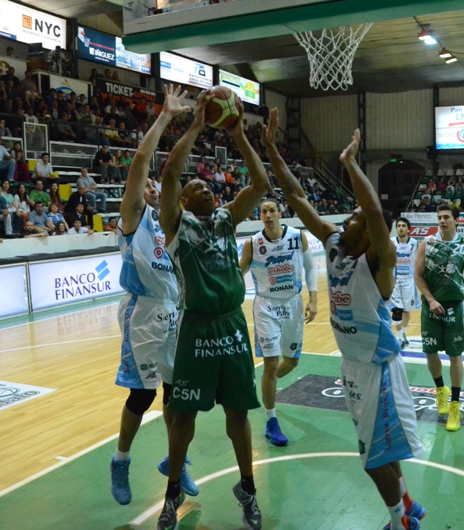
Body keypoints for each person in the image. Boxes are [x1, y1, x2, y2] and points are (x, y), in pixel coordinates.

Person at [265, 111, 425, 530]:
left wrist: (352, 164)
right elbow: (297, 195)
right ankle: (408, 503)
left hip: (378, 369)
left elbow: (373, 210)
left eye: (355, 216)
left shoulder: (379, 259)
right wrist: (270, 150)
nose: (348, 218)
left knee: (372, 459)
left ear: (371, 232)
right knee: (377, 450)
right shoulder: (336, 244)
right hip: (351, 363)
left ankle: (400, 522)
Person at [156, 91, 270, 530]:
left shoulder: (225, 219)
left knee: (238, 413)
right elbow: (169, 173)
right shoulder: (176, 224)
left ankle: (248, 490)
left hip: (232, 326)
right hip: (196, 328)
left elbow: (259, 186)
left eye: (207, 186)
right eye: (197, 187)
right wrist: (197, 126)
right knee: (183, 417)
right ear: (183, 202)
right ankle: (172, 494)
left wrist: (240, 134)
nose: (206, 189)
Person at [109, 84, 198, 508]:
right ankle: (120, 459)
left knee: (176, 394)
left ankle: (176, 462)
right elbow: (142, 163)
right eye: (146, 187)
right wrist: (165, 117)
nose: (151, 189)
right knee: (142, 395)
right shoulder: (134, 218)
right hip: (142, 312)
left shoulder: (174, 221)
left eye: (155, 188)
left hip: (174, 314)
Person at [238, 199, 318, 447]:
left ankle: (266, 383)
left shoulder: (297, 237)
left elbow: (310, 268)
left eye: (272, 210)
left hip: (293, 303)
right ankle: (271, 421)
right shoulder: (252, 243)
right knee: (271, 363)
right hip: (266, 307)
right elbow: (237, 274)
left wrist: (313, 300)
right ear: (259, 215)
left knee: (292, 362)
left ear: (280, 213)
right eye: (263, 211)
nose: (268, 215)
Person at [414, 204, 464, 432]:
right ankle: (440, 390)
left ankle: (455, 405)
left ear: (456, 220)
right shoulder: (427, 243)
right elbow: (418, 276)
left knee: (455, 354)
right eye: (439, 217)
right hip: (431, 308)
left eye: (446, 217)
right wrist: (430, 299)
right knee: (430, 351)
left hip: (455, 307)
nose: (442, 220)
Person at [390, 217, 419, 349]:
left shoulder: (415, 243)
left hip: (409, 281)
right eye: (398, 226)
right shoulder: (391, 243)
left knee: (407, 312)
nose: (400, 228)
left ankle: (404, 334)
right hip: (395, 282)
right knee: (397, 311)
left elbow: (420, 261)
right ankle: (400, 338)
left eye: (403, 226)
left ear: (408, 229)